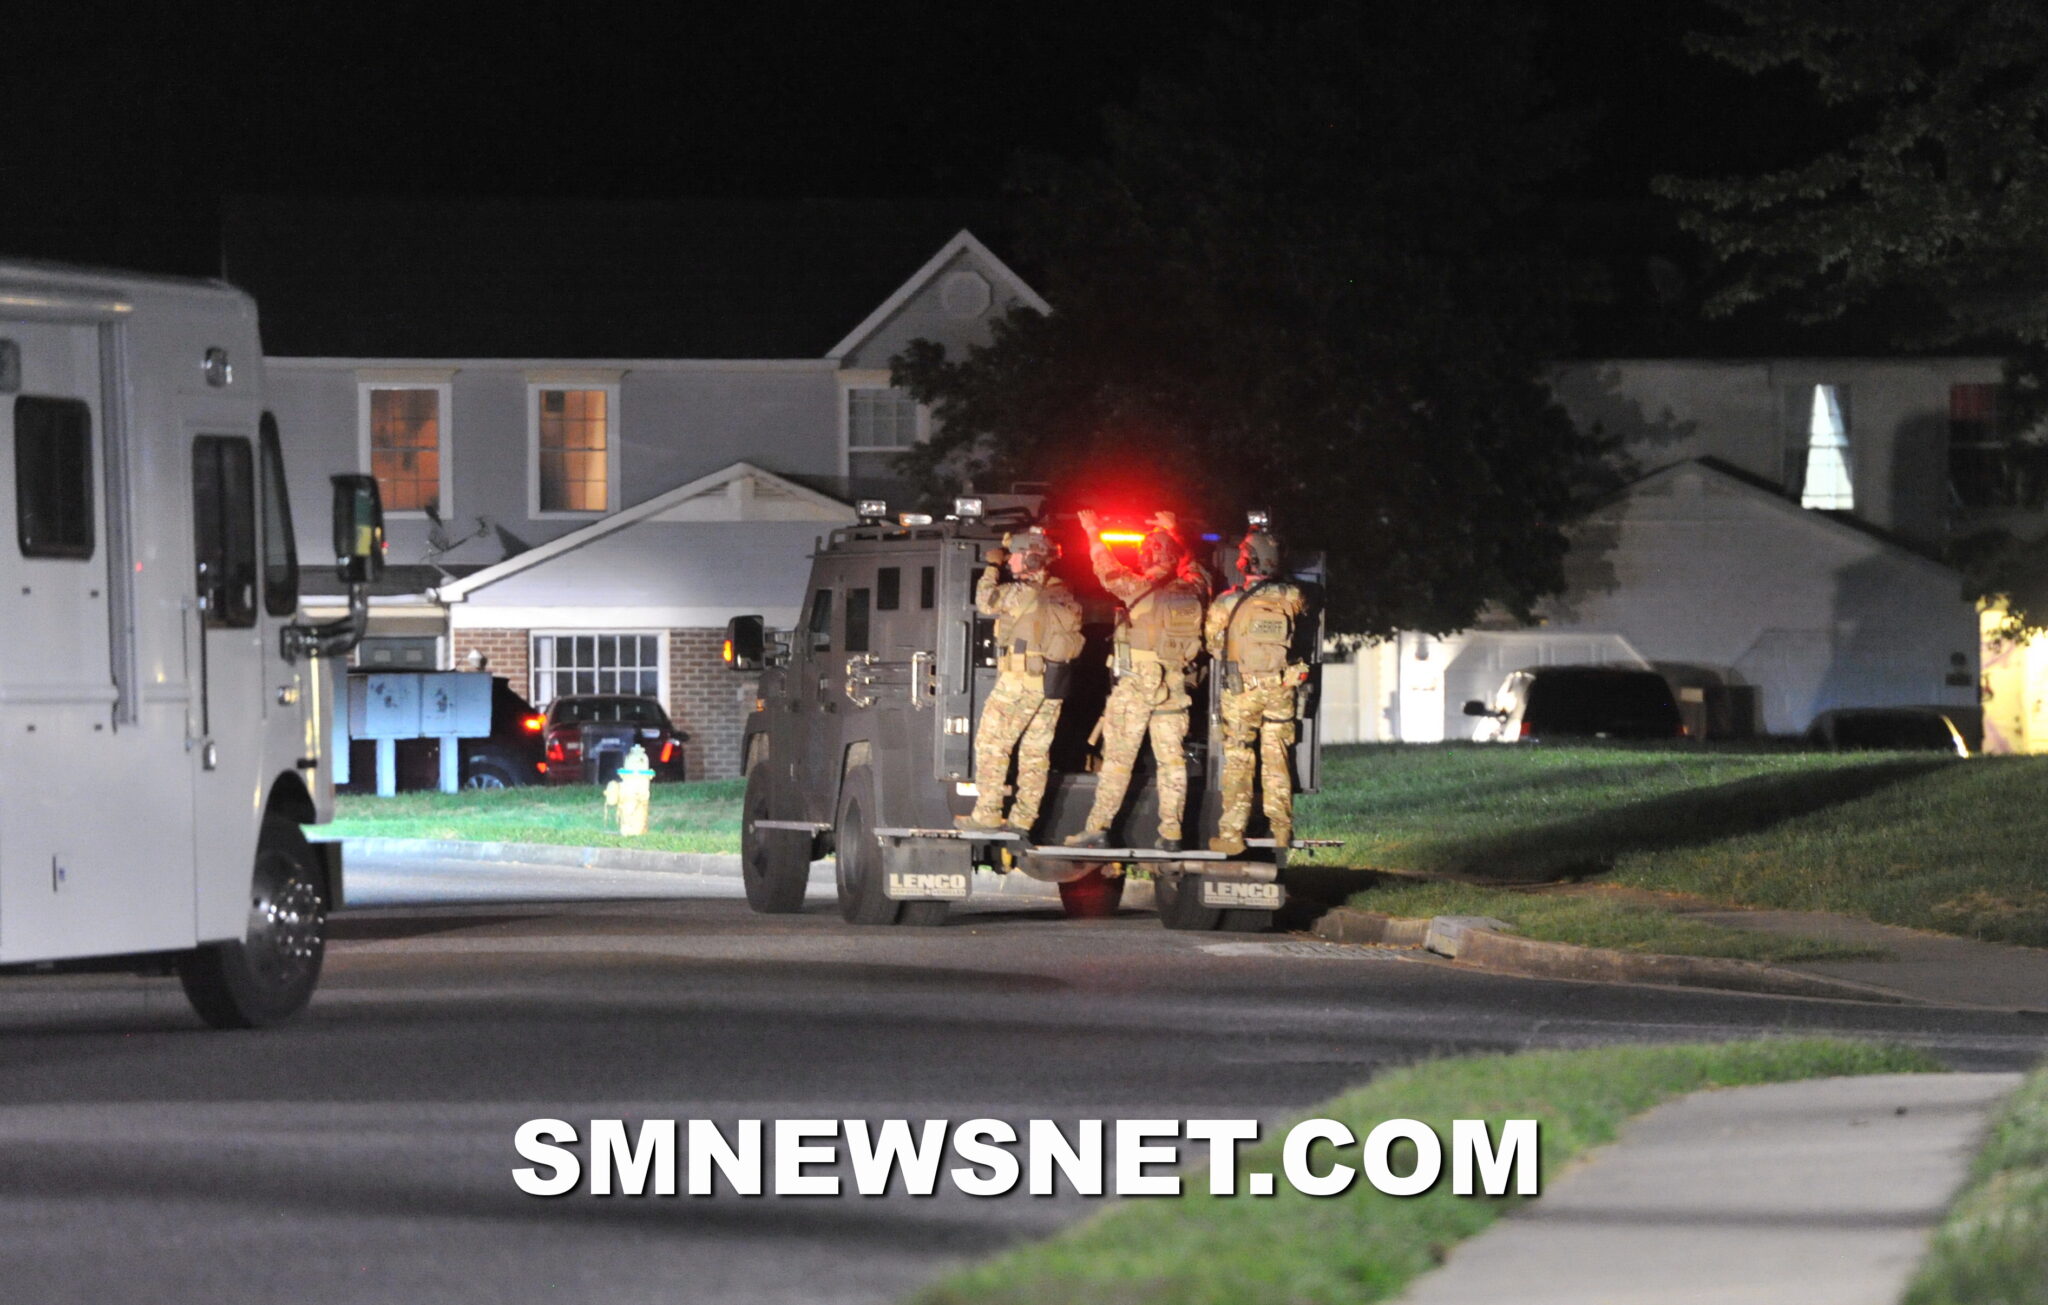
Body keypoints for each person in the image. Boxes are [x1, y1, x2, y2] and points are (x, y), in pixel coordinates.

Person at [1065, 509, 1209, 851]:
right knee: (1171, 761)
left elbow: (1104, 567)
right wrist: (1177, 533)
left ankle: (1098, 829)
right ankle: (1171, 834)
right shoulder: (1196, 589)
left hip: (1137, 682)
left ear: (1147, 557)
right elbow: (1196, 565)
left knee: (1118, 759)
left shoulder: (1137, 586)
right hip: (1175, 685)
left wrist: (1092, 530)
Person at [955, 527, 1085, 836]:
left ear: (1030, 559)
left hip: (1020, 682)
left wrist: (992, 565)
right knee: (1035, 753)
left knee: (991, 743)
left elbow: (985, 601)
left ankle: (987, 813)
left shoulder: (1021, 593)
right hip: (1051, 684)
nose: (1010, 561)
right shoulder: (1064, 593)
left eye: (1015, 555)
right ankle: (1023, 819)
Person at [1206, 526, 1308, 855]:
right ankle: (1282, 829)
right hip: (1281, 687)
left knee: (1238, 759)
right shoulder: (1291, 597)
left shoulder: (1227, 602)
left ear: (1246, 562)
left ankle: (1232, 833)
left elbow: (1212, 645)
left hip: (1242, 690)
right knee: (1277, 758)